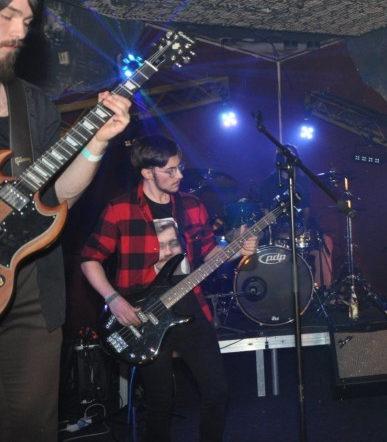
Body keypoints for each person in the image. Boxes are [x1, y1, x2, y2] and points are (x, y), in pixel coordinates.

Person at [0, 0, 132, 442]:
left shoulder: (31, 102)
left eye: (27, 21)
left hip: (29, 289)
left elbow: (57, 197)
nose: (20, 31)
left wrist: (96, 143)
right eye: (6, 15)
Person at [80, 135, 258, 442]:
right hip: (144, 314)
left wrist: (236, 250)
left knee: (217, 391)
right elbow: (89, 259)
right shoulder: (120, 208)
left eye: (180, 168)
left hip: (190, 304)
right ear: (147, 172)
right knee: (159, 401)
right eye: (170, 170)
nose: (179, 176)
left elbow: (207, 253)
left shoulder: (192, 205)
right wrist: (114, 300)